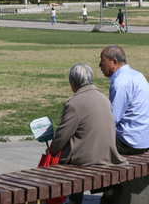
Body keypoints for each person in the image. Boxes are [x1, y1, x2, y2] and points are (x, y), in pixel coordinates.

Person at [50, 64, 127, 204]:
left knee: (70, 156)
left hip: (87, 160)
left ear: (73, 82)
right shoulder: (104, 98)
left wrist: (53, 150)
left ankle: (74, 199)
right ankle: (109, 190)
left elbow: (62, 135)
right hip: (108, 156)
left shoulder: (74, 103)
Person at [99, 45, 149, 155]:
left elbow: (112, 119)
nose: (99, 65)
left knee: (88, 137)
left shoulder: (120, 82)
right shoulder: (138, 75)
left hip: (128, 142)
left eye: (102, 60)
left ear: (114, 62)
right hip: (144, 140)